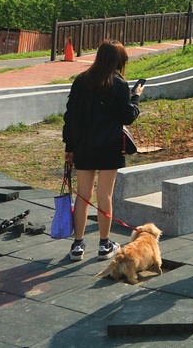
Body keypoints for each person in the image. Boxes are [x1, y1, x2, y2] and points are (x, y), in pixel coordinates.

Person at [62, 40, 143, 261]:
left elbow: (70, 116)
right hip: (109, 147)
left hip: (84, 146)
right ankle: (104, 244)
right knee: (104, 195)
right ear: (118, 61)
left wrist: (69, 146)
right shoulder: (118, 83)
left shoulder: (81, 81)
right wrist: (136, 96)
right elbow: (128, 116)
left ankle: (78, 245)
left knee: (83, 195)